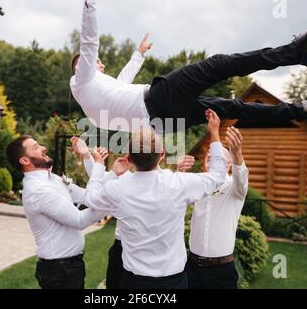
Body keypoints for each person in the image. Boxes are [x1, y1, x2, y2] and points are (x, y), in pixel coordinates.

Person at [70, 0, 307, 133]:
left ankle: (300, 111)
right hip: (160, 99)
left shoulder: (93, 105)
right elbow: (89, 44)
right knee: (217, 65)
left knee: (230, 108)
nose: (101, 64)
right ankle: (295, 52)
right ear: (81, 67)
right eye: (98, 63)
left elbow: (122, 82)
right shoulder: (82, 79)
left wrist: (138, 54)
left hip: (165, 123)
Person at [82, 109, 227, 288]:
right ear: (162, 154)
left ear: (128, 158)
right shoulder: (179, 184)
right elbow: (219, 175)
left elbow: (90, 198)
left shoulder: (116, 188)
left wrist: (101, 168)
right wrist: (214, 132)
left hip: (134, 283)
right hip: (173, 283)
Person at [70, 137, 195, 289]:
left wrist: (179, 172)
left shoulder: (168, 183)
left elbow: (96, 189)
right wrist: (87, 156)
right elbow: (101, 181)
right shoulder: (125, 180)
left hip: (159, 257)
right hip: (122, 248)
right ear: (161, 154)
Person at [5, 135, 109, 289]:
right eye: (36, 147)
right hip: (59, 271)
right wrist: (112, 203)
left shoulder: (53, 179)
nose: (43, 147)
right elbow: (79, 220)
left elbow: (87, 196)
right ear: (25, 160)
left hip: (70, 266)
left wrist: (87, 155)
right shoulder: (39, 190)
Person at [185, 126, 248, 289]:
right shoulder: (199, 185)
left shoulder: (235, 189)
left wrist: (236, 153)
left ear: (227, 164)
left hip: (221, 271)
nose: (210, 161)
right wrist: (179, 170)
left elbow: (242, 178)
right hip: (192, 267)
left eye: (216, 158)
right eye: (208, 158)